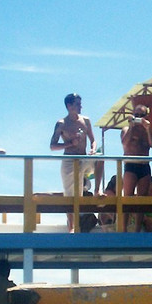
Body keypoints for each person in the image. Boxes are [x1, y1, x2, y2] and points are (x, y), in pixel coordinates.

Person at [51, 93, 97, 230]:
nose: (80, 106)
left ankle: (97, 189)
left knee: (100, 159)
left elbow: (93, 140)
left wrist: (93, 149)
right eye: (77, 104)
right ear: (69, 106)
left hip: (84, 157)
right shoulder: (62, 123)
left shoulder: (86, 120)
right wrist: (70, 143)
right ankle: (72, 226)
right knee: (70, 196)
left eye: (80, 103)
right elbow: (53, 146)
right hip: (69, 160)